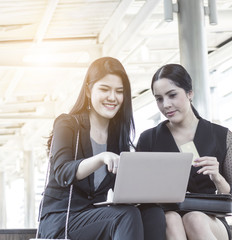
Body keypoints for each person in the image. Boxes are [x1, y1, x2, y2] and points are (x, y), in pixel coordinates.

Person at [38, 57, 166, 240]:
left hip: (95, 216)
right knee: (126, 215)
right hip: (62, 220)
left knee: (152, 213)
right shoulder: (67, 124)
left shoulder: (117, 136)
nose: (112, 97)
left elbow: (118, 189)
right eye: (105, 89)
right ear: (89, 91)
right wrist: (101, 158)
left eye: (119, 91)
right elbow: (62, 172)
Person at [136, 64, 232, 240]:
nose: (166, 105)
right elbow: (137, 194)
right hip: (168, 220)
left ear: (189, 93)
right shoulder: (148, 139)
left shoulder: (221, 136)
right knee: (171, 219)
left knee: (194, 219)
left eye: (172, 95)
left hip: (209, 222)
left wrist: (218, 178)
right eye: (159, 99)